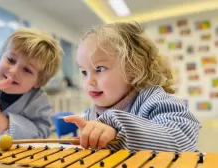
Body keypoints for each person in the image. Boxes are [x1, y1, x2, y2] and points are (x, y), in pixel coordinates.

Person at [64, 22, 200, 152]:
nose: (89, 82)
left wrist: (117, 129)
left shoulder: (155, 100)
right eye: (84, 72)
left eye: (99, 69)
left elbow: (182, 140)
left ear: (132, 68)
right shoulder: (92, 113)